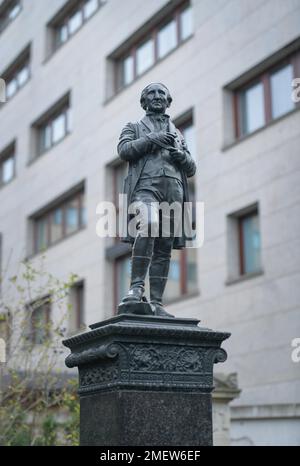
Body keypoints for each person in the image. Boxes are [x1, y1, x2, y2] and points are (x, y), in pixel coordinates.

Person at [117, 83, 196, 317]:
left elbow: (191, 168)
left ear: (168, 100)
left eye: (162, 93)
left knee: (164, 246)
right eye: (151, 93)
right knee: (148, 225)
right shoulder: (134, 127)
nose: (157, 96)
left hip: (174, 190)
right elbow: (124, 150)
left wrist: (181, 156)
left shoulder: (178, 134)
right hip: (145, 187)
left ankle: (157, 303)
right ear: (144, 101)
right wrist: (153, 138)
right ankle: (136, 288)